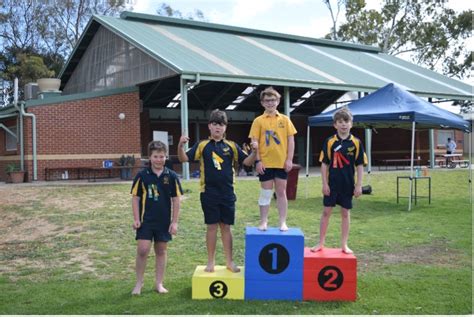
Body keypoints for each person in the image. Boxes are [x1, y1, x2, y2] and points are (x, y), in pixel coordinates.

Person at [178, 109, 257, 273]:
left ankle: (230, 262)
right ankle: (210, 262)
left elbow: (248, 162)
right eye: (214, 124)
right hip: (208, 193)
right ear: (209, 127)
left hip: (228, 193)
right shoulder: (202, 145)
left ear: (225, 128)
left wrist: (255, 152)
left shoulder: (232, 146)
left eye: (221, 125)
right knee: (212, 227)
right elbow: (184, 158)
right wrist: (180, 145)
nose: (217, 128)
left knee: (226, 227)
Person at [310, 107, 367, 254]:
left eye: (346, 121)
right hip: (332, 185)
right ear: (335, 125)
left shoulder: (356, 143)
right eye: (340, 122)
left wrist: (359, 185)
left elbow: (360, 164)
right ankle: (320, 243)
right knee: (326, 212)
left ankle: (344, 244)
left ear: (351, 124)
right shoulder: (330, 142)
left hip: (348, 185)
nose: (343, 124)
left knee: (345, 213)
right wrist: (324, 183)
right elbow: (324, 164)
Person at [131, 140, 183, 295]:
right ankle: (139, 283)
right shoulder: (142, 176)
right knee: (143, 250)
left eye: (161, 156)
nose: (159, 159)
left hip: (163, 222)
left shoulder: (171, 176)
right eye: (155, 156)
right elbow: (135, 198)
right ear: (150, 157)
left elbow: (176, 200)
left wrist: (174, 222)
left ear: (166, 157)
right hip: (146, 221)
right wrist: (136, 218)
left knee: (161, 251)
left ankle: (159, 283)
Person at [249, 87, 297, 231]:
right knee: (265, 193)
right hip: (265, 163)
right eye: (267, 101)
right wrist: (258, 161)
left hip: (281, 163)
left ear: (278, 101)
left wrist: (289, 160)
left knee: (281, 192)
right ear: (262, 103)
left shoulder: (285, 120)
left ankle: (282, 222)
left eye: (273, 100)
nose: (270, 103)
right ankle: (263, 221)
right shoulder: (258, 121)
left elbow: (291, 141)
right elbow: (254, 142)